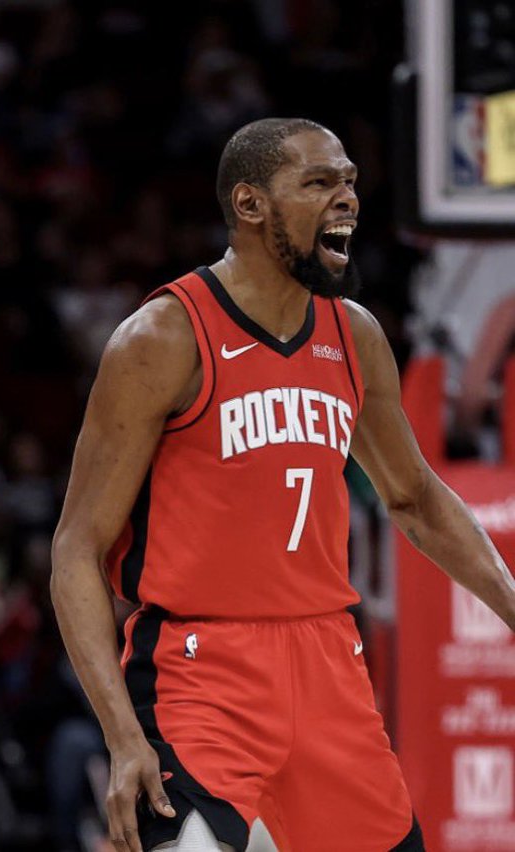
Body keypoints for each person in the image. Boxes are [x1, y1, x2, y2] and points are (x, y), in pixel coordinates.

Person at [51, 117, 515, 852]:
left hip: (330, 661)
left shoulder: (354, 334)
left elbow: (415, 498)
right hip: (201, 670)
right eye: (319, 182)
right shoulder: (163, 337)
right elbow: (76, 548)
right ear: (250, 204)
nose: (346, 198)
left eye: (350, 182)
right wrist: (121, 734)